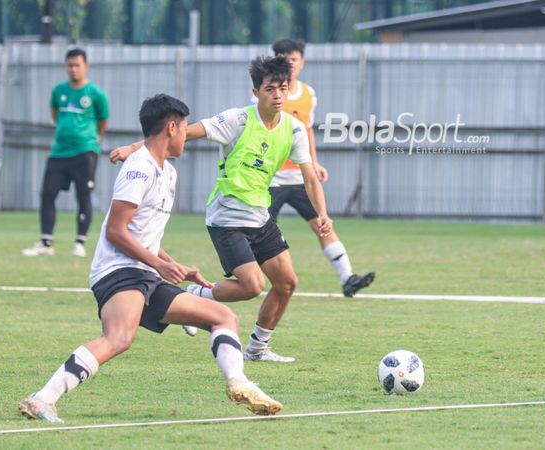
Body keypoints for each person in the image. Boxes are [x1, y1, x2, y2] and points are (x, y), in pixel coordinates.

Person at [19, 94, 282, 423]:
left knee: (223, 317)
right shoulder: (139, 168)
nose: (187, 135)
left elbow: (143, 235)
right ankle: (43, 398)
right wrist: (159, 265)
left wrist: (176, 266)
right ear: (171, 128)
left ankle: (239, 384)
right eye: (185, 128)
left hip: (146, 275)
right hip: (118, 272)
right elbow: (116, 230)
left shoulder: (168, 172)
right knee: (119, 338)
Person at [111, 56, 330, 363]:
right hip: (227, 217)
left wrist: (322, 214)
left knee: (287, 283)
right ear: (256, 92)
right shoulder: (237, 120)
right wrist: (132, 148)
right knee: (253, 285)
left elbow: (309, 177)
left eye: (283, 88)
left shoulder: (294, 129)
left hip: (259, 216)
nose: (278, 95)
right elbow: (178, 133)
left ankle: (257, 348)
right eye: (270, 89)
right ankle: (191, 298)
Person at [268, 38, 375, 298]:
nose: (289, 64)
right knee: (253, 232)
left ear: (302, 63)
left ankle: (347, 278)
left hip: (299, 177)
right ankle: (223, 285)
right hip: (270, 179)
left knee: (323, 224)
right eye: (283, 59)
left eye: (293, 59)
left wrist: (314, 163)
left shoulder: (308, 95)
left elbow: (307, 130)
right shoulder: (266, 93)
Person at [22, 48, 109, 258]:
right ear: (66, 66)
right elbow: (55, 114)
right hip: (59, 152)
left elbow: (103, 120)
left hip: (85, 152)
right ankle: (46, 242)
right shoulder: (58, 90)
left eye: (77, 65)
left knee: (83, 195)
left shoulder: (96, 94)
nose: (73, 69)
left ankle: (79, 243)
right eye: (70, 65)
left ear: (85, 66)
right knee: (47, 193)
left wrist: (94, 138)